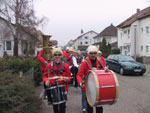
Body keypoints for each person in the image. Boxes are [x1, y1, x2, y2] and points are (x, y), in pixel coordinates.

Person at [76, 45, 108, 113]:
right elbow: (79, 75)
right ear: (88, 54)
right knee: (89, 107)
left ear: (97, 53)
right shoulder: (84, 63)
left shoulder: (100, 61)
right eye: (91, 53)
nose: (93, 55)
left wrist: (106, 70)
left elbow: (104, 72)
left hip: (99, 87)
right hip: (89, 88)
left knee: (99, 107)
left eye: (94, 53)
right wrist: (80, 83)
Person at [43, 47, 71, 113]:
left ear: (61, 56)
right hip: (53, 87)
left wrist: (67, 79)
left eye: (59, 55)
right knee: (55, 107)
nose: (57, 56)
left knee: (62, 107)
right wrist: (46, 81)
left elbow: (69, 77)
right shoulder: (49, 65)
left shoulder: (66, 66)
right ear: (53, 56)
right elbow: (45, 76)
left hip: (63, 87)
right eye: (55, 55)